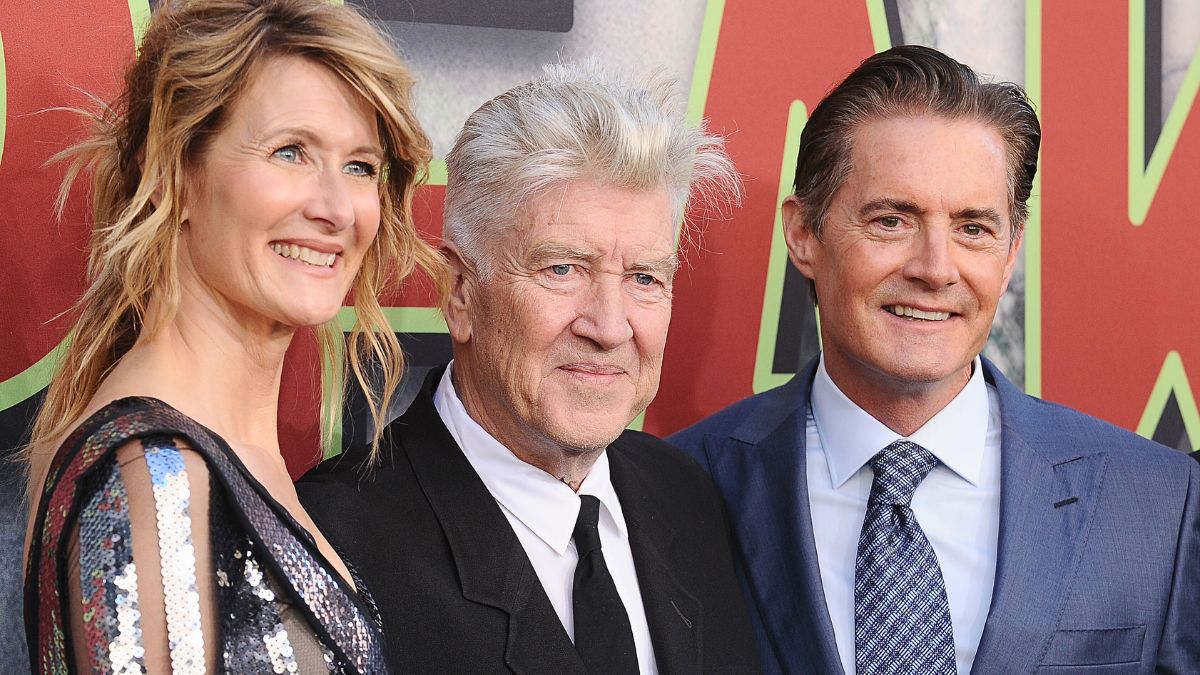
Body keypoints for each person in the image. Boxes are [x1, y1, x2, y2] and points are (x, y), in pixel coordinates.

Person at [671, 45, 1200, 674]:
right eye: (892, 220)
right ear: (804, 234)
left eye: (973, 228)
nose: (935, 269)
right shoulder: (675, 492)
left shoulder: (1157, 501)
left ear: (1010, 251)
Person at [21, 1, 444, 672]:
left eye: (360, 166)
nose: (334, 208)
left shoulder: (212, 452)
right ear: (177, 176)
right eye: (290, 152)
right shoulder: (155, 472)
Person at [298, 62, 761, 673]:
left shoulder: (686, 495)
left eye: (645, 278)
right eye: (562, 270)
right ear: (461, 292)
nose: (610, 326)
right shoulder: (331, 546)